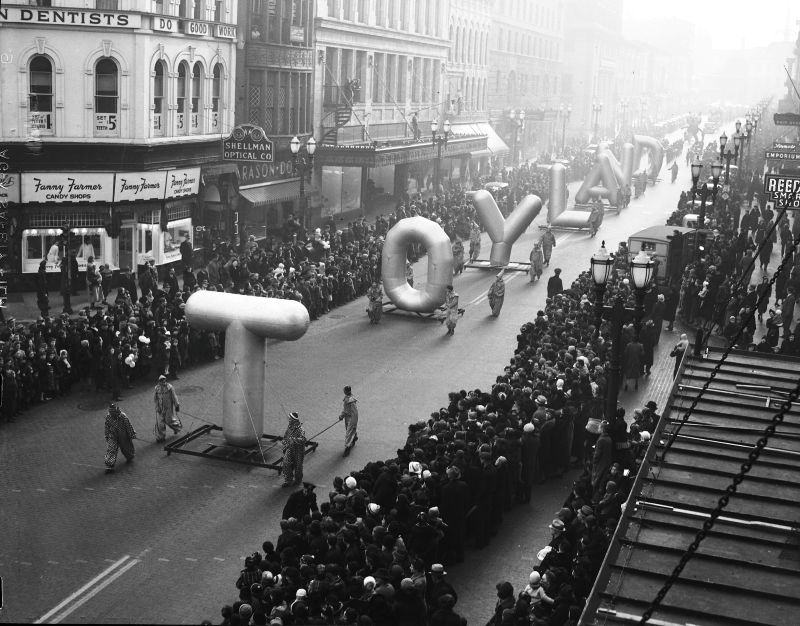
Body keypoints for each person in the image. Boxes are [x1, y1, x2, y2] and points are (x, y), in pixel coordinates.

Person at [104, 403, 136, 473]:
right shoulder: (108, 417)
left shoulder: (123, 416)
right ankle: (110, 466)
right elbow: (107, 427)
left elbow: (128, 425)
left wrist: (132, 434)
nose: (112, 414)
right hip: (113, 435)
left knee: (126, 447)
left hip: (123, 435)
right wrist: (107, 435)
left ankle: (129, 456)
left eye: (113, 412)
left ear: (116, 411)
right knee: (111, 449)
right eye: (110, 412)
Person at [153, 374, 182, 443]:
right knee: (160, 423)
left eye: (164, 381)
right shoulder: (157, 388)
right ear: (159, 382)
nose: (163, 382)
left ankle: (177, 428)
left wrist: (177, 405)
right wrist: (157, 407)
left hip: (168, 408)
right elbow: (155, 399)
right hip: (160, 409)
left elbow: (174, 397)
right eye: (161, 381)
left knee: (169, 421)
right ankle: (161, 437)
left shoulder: (170, 387)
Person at [281, 411, 307, 487]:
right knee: (286, 463)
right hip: (289, 448)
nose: (288, 420)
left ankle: (298, 480)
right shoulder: (289, 427)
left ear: (294, 420)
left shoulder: (300, 429)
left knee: (298, 466)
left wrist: (294, 439)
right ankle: (288, 480)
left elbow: (303, 439)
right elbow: (285, 436)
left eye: (290, 419)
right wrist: (284, 441)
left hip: (298, 450)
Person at [339, 385, 359, 457]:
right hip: (352, 416)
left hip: (351, 417)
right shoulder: (351, 397)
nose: (343, 391)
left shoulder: (348, 400)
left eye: (344, 390)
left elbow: (346, 411)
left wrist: (341, 416)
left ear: (346, 391)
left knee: (348, 433)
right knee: (351, 429)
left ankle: (347, 448)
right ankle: (355, 436)